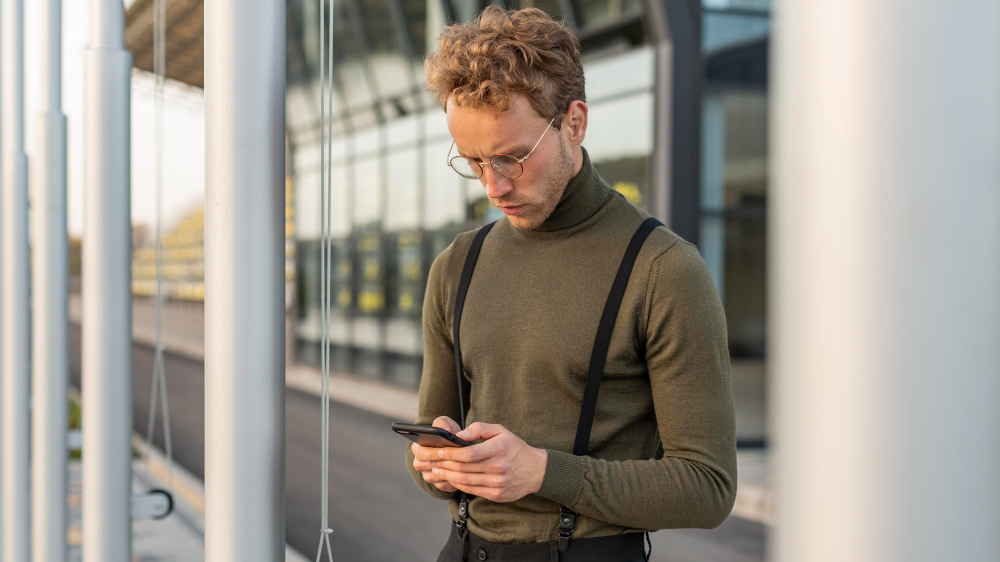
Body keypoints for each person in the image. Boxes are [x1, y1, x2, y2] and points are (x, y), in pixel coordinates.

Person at [405, 6, 736, 562]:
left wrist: (541, 472)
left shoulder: (664, 270)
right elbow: (430, 471)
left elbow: (707, 488)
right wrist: (438, 464)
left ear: (574, 122)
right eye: (473, 161)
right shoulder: (457, 266)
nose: (493, 186)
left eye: (513, 157)